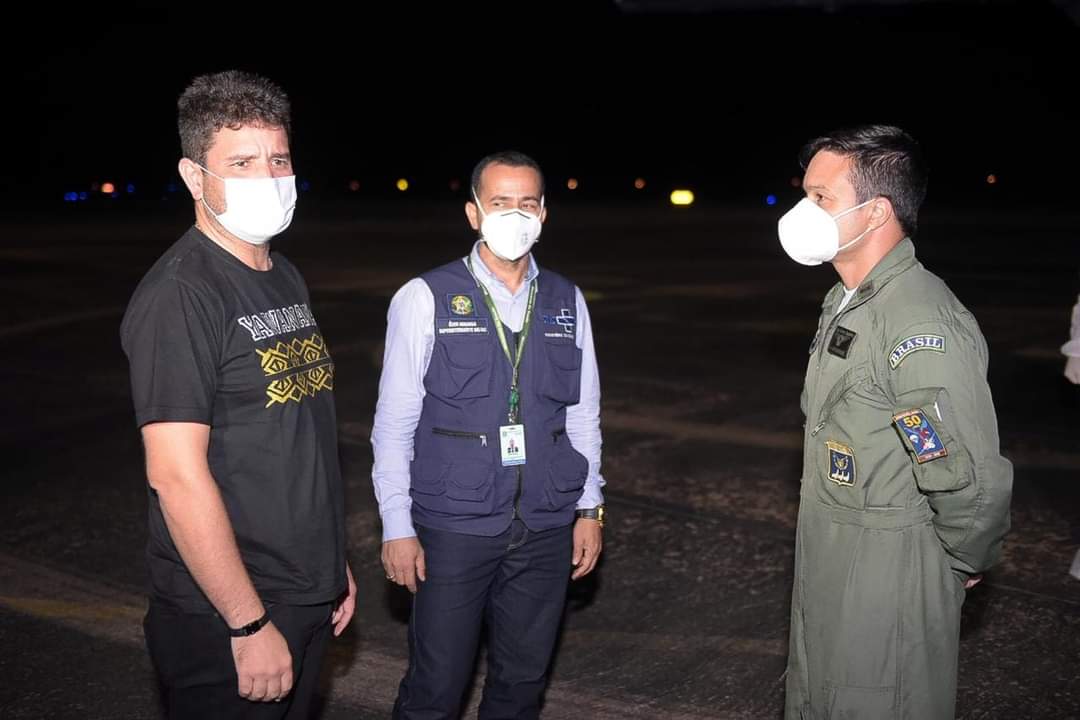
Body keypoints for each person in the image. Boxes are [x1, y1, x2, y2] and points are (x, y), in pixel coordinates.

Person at [120, 70, 356, 718]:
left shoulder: (282, 274)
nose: (269, 177)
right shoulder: (182, 294)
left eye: (278, 159)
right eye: (242, 163)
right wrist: (247, 623)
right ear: (195, 177)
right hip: (231, 612)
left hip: (303, 588)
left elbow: (299, 437)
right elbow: (175, 476)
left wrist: (330, 565)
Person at [776, 124, 1013, 719]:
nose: (804, 211)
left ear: (877, 211)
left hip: (890, 570)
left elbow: (964, 473)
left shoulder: (917, 323)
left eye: (822, 197)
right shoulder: (849, 301)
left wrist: (958, 561)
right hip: (833, 552)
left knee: (878, 700)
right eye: (805, 194)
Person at [371, 150, 606, 718]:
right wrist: (396, 525)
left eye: (527, 203)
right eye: (500, 203)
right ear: (474, 212)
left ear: (543, 213)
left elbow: (583, 416)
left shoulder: (566, 300)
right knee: (436, 687)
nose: (514, 215)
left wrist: (589, 510)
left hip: (546, 524)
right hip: (455, 525)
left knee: (522, 685)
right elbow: (394, 423)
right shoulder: (424, 297)